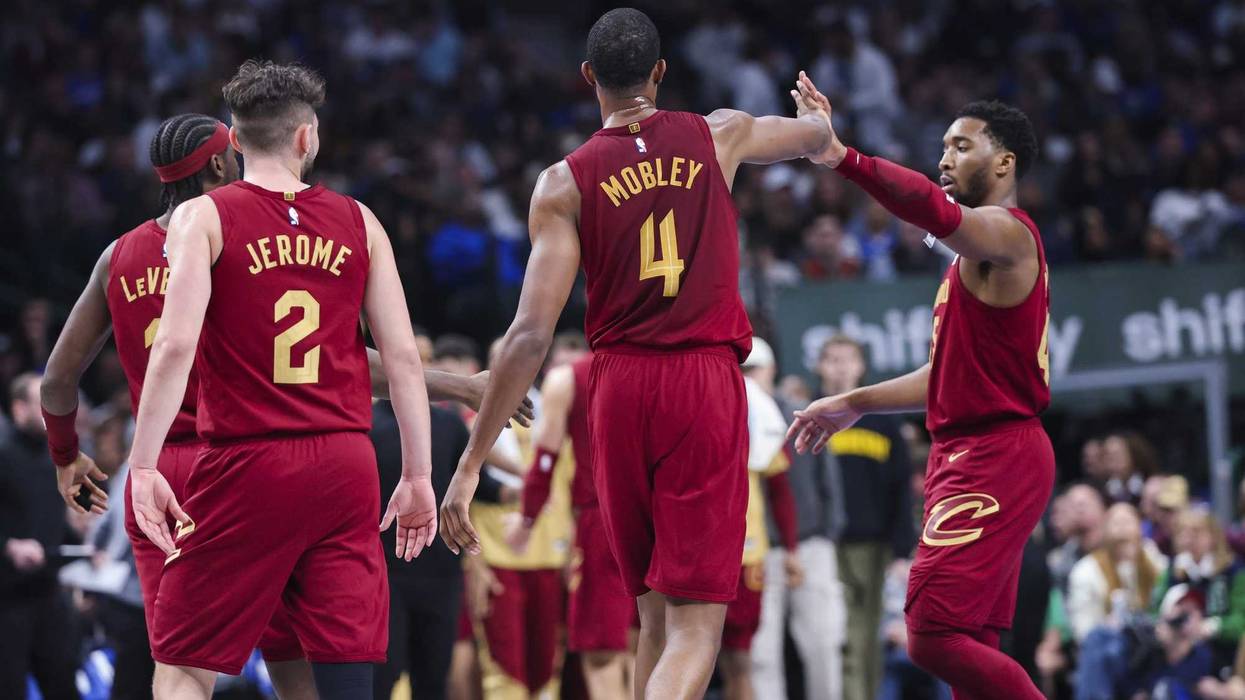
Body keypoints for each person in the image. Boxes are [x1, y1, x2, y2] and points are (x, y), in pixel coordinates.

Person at [38, 112, 512, 699]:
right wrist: (459, 385)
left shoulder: (119, 256)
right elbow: (334, 361)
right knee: (292, 657)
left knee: (185, 663)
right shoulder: (241, 235)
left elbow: (57, 379)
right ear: (220, 160)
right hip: (240, 463)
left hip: (167, 466)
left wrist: (66, 455)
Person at [438, 8, 833, 699]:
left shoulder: (562, 182)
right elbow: (813, 139)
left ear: (588, 76)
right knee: (694, 628)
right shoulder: (719, 134)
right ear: (659, 71)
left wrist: (471, 464)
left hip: (616, 386)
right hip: (701, 379)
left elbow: (530, 334)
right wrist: (817, 118)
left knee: (650, 615)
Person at [125, 60, 434, 700]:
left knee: (183, 658)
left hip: (248, 460)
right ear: (306, 138)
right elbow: (401, 358)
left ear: (234, 142)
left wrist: (145, 464)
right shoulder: (360, 220)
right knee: (341, 661)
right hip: (347, 463)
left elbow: (176, 343)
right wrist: (418, 475)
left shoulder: (204, 218)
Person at [788, 72, 1053, 699]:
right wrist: (853, 401)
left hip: (994, 455)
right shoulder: (972, 262)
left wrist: (840, 156)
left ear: (1004, 160)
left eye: (962, 145)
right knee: (972, 645)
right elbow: (944, 377)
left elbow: (932, 210)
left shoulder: (1008, 234)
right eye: (942, 146)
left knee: (931, 635)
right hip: (976, 449)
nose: (944, 158)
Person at [512, 348, 636, 699]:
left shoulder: (568, 378)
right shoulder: (665, 366)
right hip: (659, 519)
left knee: (602, 655)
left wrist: (526, 520)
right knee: (652, 642)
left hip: (603, 521)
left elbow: (545, 460)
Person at [812, 334, 914, 700]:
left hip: (874, 547)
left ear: (861, 366)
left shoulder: (884, 422)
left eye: (848, 358)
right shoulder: (810, 415)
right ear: (819, 366)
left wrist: (902, 549)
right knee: (832, 634)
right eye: (831, 358)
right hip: (824, 545)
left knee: (870, 633)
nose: (840, 366)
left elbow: (901, 488)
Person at [751, 338, 846, 700]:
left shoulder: (798, 413)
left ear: (772, 370)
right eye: (744, 370)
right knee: (761, 655)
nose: (749, 378)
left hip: (809, 543)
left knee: (823, 646)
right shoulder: (726, 416)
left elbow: (829, 479)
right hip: (757, 550)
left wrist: (827, 534)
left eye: (755, 369)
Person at [719, 339, 802, 700]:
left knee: (737, 658)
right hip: (710, 547)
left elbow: (780, 489)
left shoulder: (759, 409)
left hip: (742, 547)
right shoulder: (754, 403)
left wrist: (792, 549)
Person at [0, 373, 80, 700]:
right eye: (42, 403)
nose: (51, 411)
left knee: (63, 685)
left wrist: (86, 549)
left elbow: (51, 519)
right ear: (19, 409)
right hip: (7, 600)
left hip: (49, 592)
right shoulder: (3, 456)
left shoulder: (55, 458)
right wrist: (8, 546)